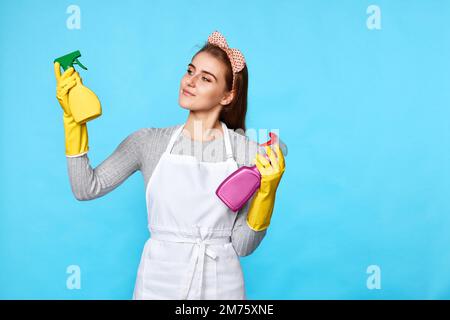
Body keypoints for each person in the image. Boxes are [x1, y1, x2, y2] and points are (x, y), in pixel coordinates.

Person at [53, 30, 285, 300]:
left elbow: (243, 246)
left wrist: (268, 192)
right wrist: (73, 122)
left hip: (222, 286)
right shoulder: (148, 142)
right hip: (157, 283)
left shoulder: (248, 152)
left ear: (227, 96)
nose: (191, 82)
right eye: (190, 71)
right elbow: (86, 188)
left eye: (206, 78)